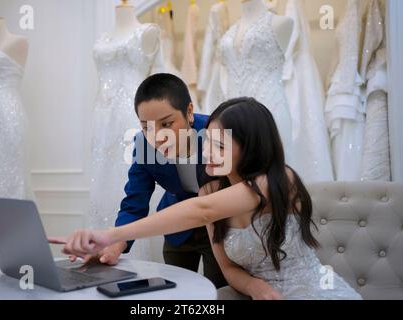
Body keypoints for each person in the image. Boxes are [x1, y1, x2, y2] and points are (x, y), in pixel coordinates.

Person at [50, 97, 361, 300]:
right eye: (207, 142)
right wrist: (256, 287)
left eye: (220, 145)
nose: (208, 153)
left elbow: (200, 211)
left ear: (251, 146)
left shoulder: (279, 180)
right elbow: (228, 270)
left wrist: (108, 235)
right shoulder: (210, 191)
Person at [90, 73, 227, 289]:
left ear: (189, 112)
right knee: (176, 291)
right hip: (178, 230)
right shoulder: (143, 146)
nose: (157, 136)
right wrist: (116, 243)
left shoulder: (216, 134)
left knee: (217, 292)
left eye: (167, 123)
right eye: (147, 127)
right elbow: (135, 201)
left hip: (220, 227)